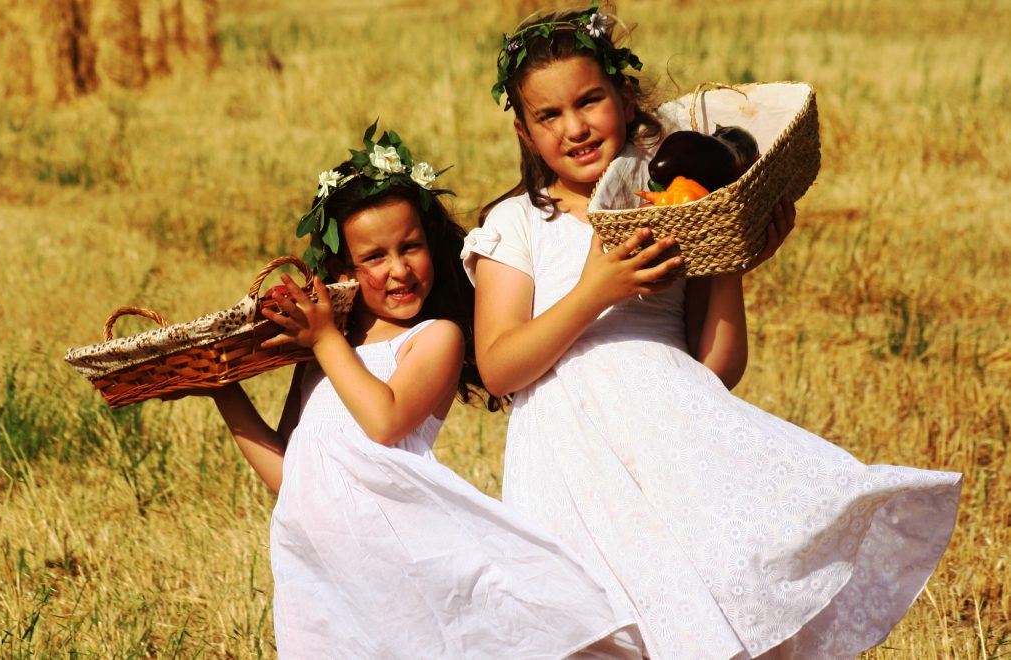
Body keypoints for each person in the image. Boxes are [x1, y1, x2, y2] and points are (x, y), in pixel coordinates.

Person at [462, 4, 962, 659]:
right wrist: (594, 293)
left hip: (675, 448)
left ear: (624, 97)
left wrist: (729, 255)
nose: (576, 127)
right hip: (569, 464)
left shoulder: (678, 205)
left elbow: (717, 369)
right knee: (595, 629)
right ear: (525, 135)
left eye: (590, 101)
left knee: (699, 610)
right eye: (548, 116)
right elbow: (499, 367)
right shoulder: (518, 222)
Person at [202, 123, 646, 659]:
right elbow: (289, 474)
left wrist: (322, 340)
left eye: (410, 246)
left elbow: (384, 421)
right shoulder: (326, 356)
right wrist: (220, 389)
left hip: (411, 556)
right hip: (330, 574)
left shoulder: (435, 338)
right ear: (343, 267)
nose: (399, 269)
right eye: (374, 257)